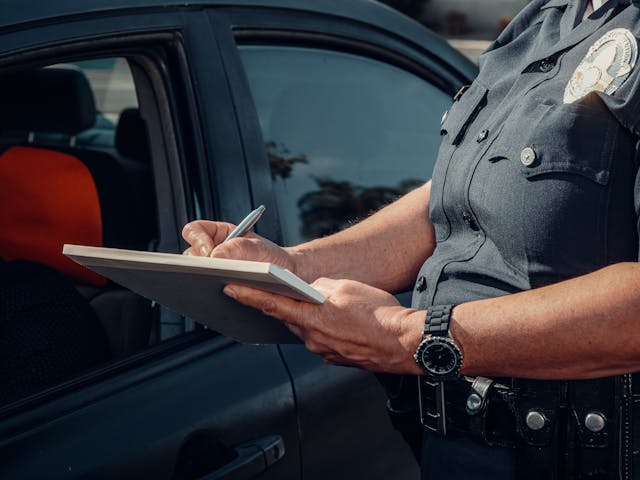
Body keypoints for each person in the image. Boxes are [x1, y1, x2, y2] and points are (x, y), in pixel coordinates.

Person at [183, 0, 640, 478]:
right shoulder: (543, 20)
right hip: (460, 446)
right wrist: (292, 265)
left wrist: (405, 336)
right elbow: (449, 198)